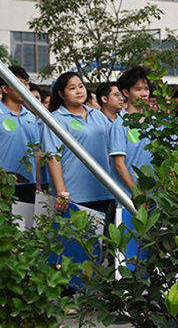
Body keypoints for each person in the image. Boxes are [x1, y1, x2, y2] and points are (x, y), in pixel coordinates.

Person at [43, 72, 117, 223]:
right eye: (72, 88)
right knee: (76, 243)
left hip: (103, 190)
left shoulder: (98, 115)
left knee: (102, 243)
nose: (79, 91)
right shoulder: (55, 119)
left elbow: (113, 148)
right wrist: (61, 191)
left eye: (81, 86)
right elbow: (53, 157)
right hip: (74, 194)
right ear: (61, 94)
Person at [108, 66, 154, 192]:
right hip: (129, 198)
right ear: (126, 93)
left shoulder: (156, 123)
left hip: (156, 197)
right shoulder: (120, 124)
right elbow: (118, 164)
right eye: (138, 89)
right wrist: (137, 193)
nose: (144, 93)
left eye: (146, 89)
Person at [1, 65, 41, 203]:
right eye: (19, 84)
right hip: (3, 185)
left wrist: (38, 184)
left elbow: (36, 151)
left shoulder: (30, 116)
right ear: (5, 88)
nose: (25, 88)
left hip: (28, 183)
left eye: (26, 84)